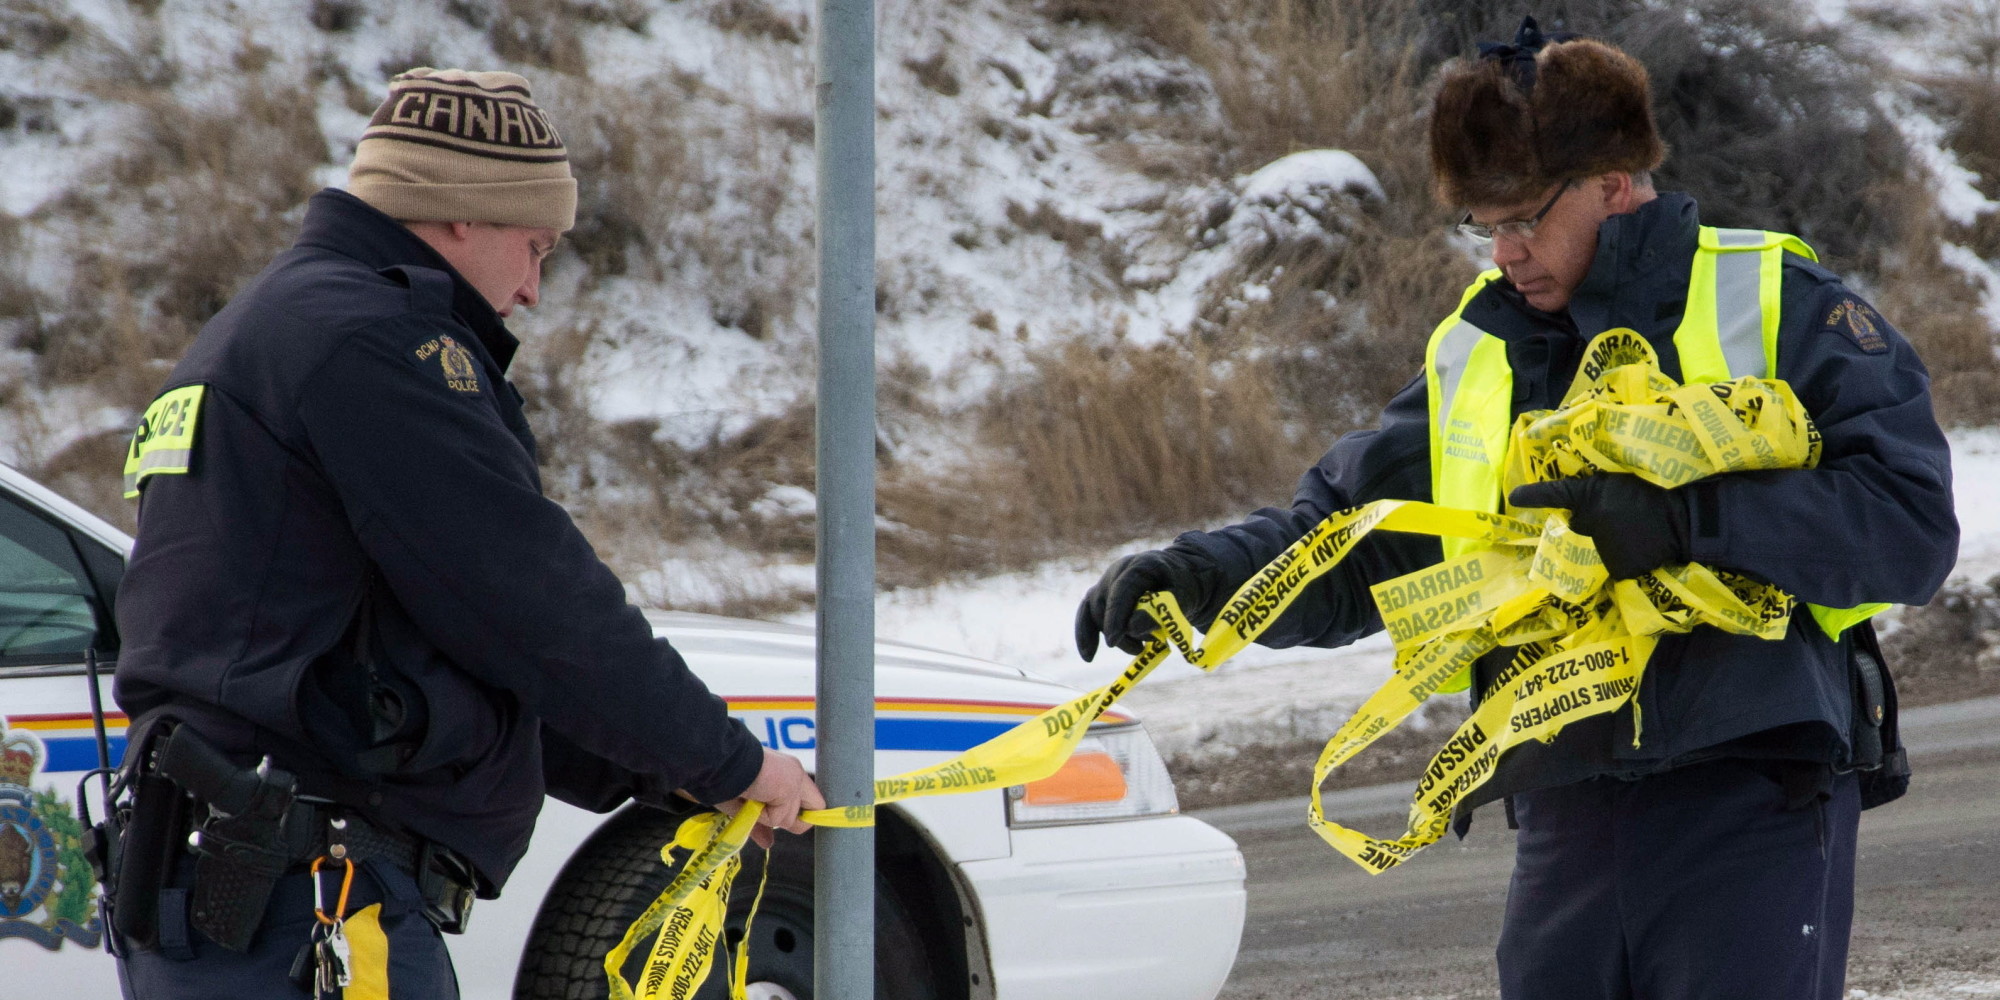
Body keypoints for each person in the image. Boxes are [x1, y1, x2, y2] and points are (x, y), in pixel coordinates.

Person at [1075, 19, 1956, 1000]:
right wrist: (1203, 575)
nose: (1504, 253)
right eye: (1481, 226)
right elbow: (1358, 541)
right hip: (1560, 803)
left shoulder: (1777, 303)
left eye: (1525, 217)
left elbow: (1908, 527)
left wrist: (1685, 523)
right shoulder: (1477, 349)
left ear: (1614, 183)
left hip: (1750, 788)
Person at [110, 68, 823, 997]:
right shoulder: (375, 343)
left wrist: (674, 775)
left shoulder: (259, 331)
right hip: (306, 899)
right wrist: (726, 758)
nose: (530, 290)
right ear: (457, 213)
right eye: (534, 246)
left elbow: (428, 638)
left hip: (225, 886)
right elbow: (531, 599)